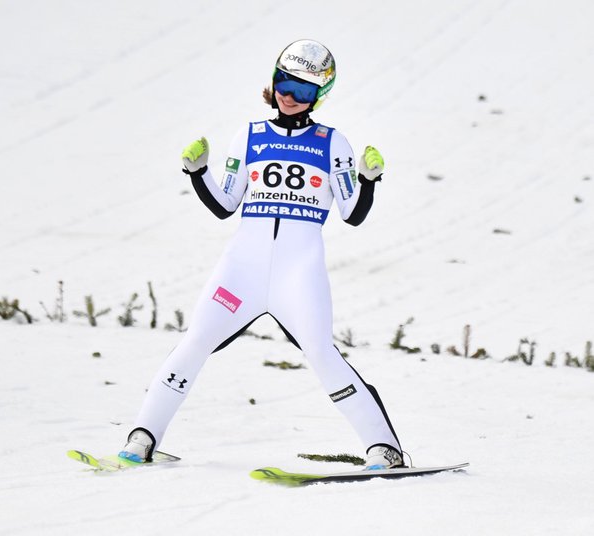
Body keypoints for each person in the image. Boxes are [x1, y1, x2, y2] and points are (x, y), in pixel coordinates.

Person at [119, 39, 404, 470]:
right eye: (285, 84)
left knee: (322, 353)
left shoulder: (333, 143)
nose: (290, 97)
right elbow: (224, 204)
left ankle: (384, 449)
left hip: (297, 275)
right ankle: (142, 437)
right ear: (273, 81)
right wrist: (197, 173)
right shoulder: (249, 135)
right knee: (194, 341)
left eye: (304, 91)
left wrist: (367, 180)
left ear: (320, 96)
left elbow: (352, 215)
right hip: (242, 273)